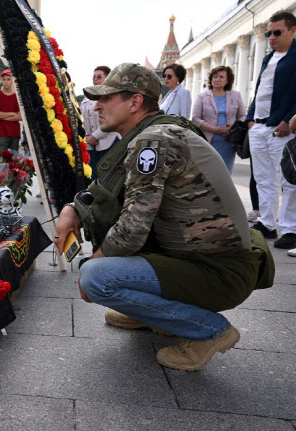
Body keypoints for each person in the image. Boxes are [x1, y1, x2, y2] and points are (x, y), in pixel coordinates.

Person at [54, 63, 269, 372]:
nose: (97, 106)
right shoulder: (156, 131)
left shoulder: (152, 141)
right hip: (202, 261)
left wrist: (93, 263)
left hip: (218, 273)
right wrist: (71, 209)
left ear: (135, 102)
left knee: (97, 277)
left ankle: (209, 330)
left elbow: (132, 229)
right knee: (110, 261)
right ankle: (149, 314)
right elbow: (109, 193)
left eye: (107, 98)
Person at [246, 10, 296, 249]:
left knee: (288, 179)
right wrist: (249, 119)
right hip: (259, 125)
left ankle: (290, 229)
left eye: (278, 32)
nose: (272, 37)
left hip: (282, 127)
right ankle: (267, 223)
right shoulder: (268, 58)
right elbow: (260, 92)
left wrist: (288, 119)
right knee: (263, 179)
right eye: (269, 33)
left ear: (292, 30)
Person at [192, 66, 246, 173]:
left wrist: (234, 126)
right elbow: (195, 118)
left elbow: (243, 116)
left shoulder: (236, 95)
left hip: (228, 142)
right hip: (208, 141)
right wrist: (214, 129)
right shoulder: (202, 96)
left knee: (225, 173)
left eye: (221, 77)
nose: (217, 79)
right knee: (208, 173)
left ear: (227, 81)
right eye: (215, 77)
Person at [80, 65, 121, 179]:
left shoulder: (113, 97)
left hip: (109, 142)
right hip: (91, 146)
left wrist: (95, 136)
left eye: (99, 77)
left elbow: (112, 120)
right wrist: (86, 136)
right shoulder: (85, 99)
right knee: (93, 177)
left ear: (107, 79)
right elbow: (82, 120)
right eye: (94, 77)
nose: (95, 80)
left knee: (108, 177)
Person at [0, 68, 22, 152]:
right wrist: (12, 113)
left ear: (12, 81)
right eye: (4, 79)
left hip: (14, 132)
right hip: (1, 133)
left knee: (14, 161)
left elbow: (21, 116)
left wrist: (2, 116)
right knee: (0, 161)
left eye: (8, 79)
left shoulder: (16, 97)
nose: (6, 81)